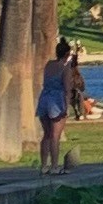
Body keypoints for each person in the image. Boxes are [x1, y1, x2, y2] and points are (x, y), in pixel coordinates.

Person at [38, 36, 74, 170]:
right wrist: (66, 106)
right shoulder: (65, 68)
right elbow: (66, 89)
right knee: (55, 135)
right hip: (57, 100)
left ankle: (43, 165)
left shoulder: (49, 65)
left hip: (45, 98)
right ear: (67, 54)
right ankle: (54, 165)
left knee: (46, 134)